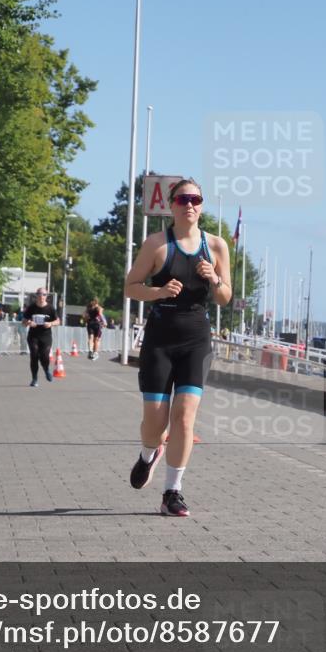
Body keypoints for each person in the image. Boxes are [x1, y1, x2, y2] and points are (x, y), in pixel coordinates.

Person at [123, 178, 231, 517]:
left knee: (184, 419)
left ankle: (173, 491)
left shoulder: (216, 246)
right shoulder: (156, 244)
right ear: (171, 205)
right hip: (160, 339)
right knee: (154, 424)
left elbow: (225, 296)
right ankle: (148, 453)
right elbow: (130, 287)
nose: (190, 205)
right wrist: (157, 292)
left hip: (196, 339)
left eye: (196, 199)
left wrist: (214, 278)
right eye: (183, 199)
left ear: (201, 205)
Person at [22, 289, 60, 386]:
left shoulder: (50, 308)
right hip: (33, 336)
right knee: (34, 355)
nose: (41, 296)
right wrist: (30, 323)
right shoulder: (31, 307)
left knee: (44, 356)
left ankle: (46, 369)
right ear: (36, 295)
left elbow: (58, 321)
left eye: (44, 294)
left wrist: (50, 323)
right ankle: (34, 379)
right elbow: (23, 322)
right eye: (39, 294)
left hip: (45, 336)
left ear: (46, 296)